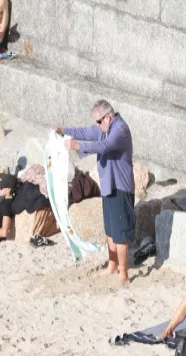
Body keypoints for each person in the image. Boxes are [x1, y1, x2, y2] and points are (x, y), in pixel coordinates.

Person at [55, 100, 136, 286]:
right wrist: (63, 131)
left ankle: (123, 272)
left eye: (99, 121)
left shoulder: (120, 129)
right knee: (110, 230)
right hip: (108, 185)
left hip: (120, 187)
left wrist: (78, 146)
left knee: (121, 232)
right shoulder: (103, 127)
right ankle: (112, 265)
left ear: (108, 117)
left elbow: (104, 146)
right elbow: (86, 132)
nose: (97, 125)